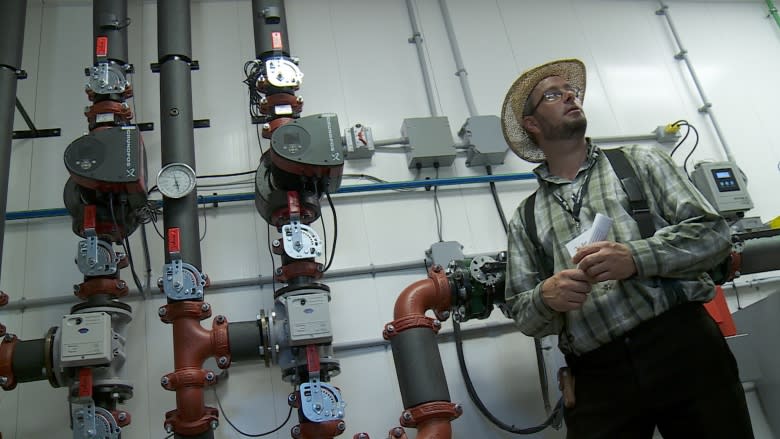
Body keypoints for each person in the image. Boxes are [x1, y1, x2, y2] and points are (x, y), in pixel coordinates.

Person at [501, 59, 754, 439]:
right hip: (596, 376)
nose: (570, 96)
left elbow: (713, 236)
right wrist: (547, 297)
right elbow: (524, 314)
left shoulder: (641, 161)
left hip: (682, 347)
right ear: (532, 124)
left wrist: (635, 258)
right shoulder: (526, 216)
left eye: (572, 91)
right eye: (553, 94)